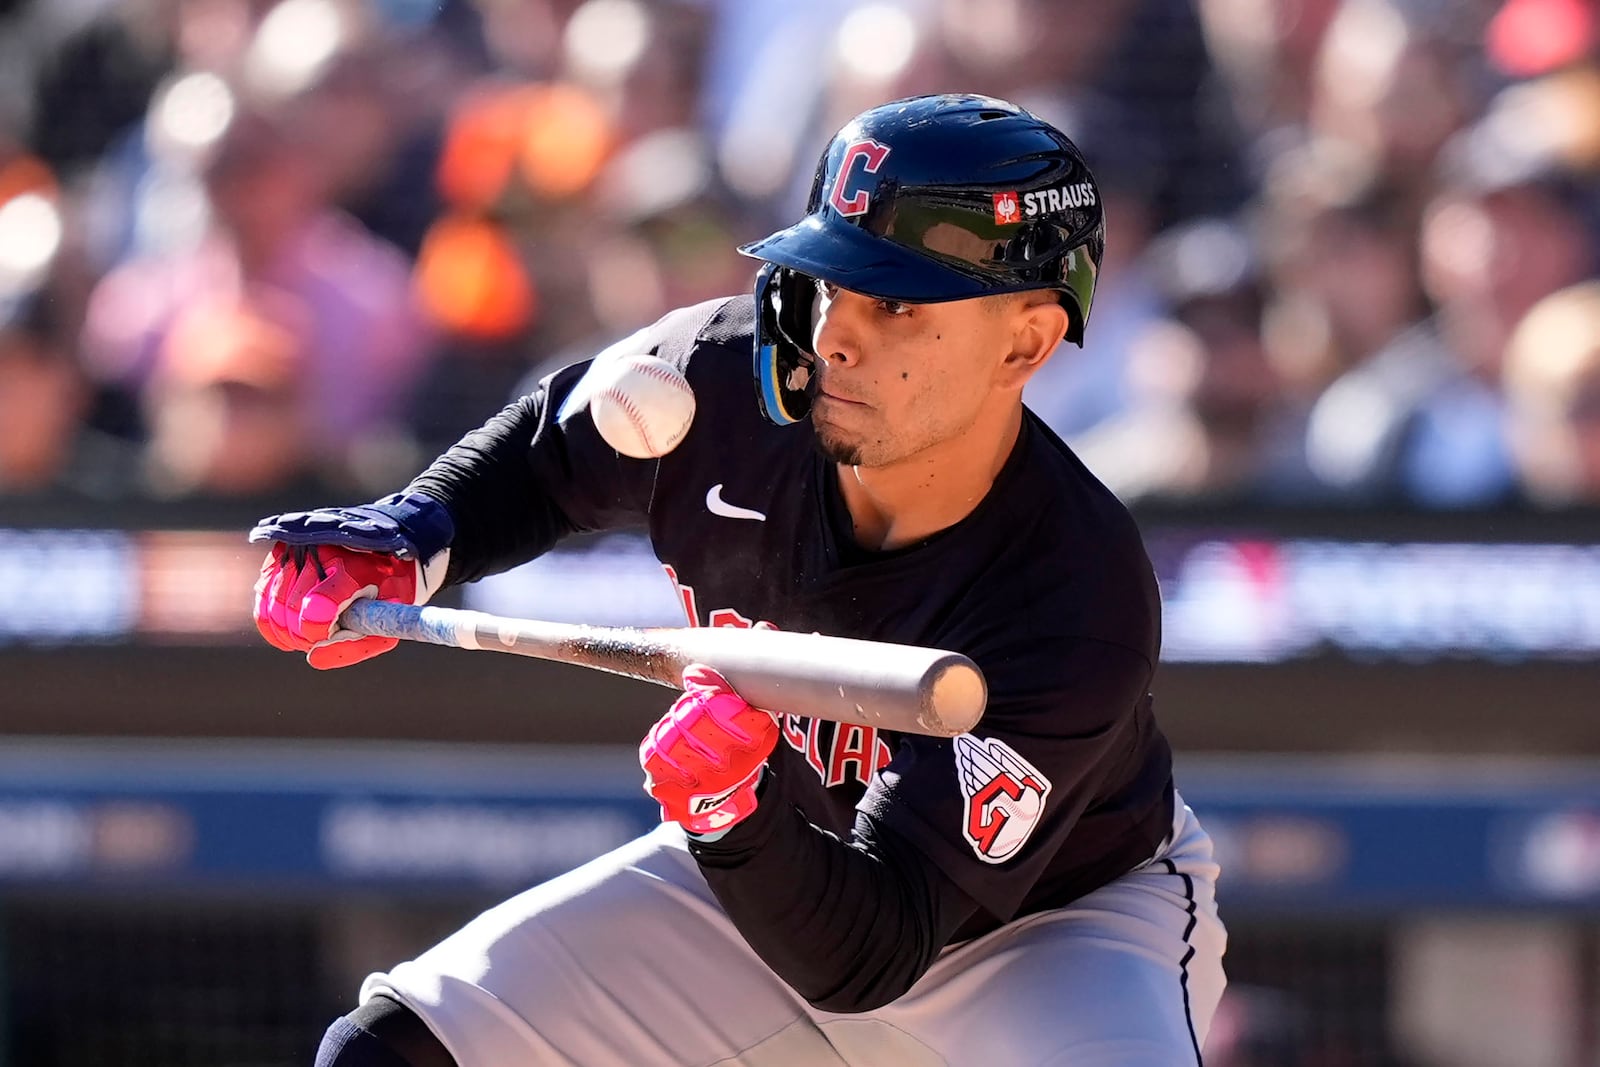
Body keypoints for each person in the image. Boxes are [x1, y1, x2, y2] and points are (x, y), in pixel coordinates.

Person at [253, 94, 1227, 1067]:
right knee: (394, 1050)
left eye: (894, 302)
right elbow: (546, 453)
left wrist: (729, 807)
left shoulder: (1073, 593)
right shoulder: (716, 379)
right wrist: (413, 538)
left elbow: (873, 947)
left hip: (1048, 928)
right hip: (777, 855)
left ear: (1024, 341)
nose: (835, 335)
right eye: (827, 282)